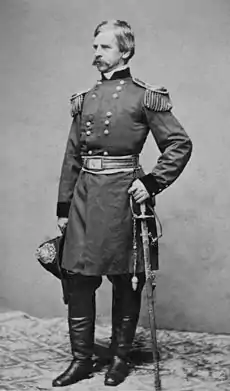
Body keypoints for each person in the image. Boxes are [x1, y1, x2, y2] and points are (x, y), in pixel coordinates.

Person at [53, 19, 192, 387]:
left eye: (104, 47)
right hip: (84, 198)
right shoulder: (84, 99)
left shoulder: (145, 96)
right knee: (79, 280)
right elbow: (71, 157)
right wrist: (64, 209)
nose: (96, 53)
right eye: (95, 46)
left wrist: (151, 182)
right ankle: (81, 360)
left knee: (125, 280)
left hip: (123, 200)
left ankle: (119, 359)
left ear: (125, 51)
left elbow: (179, 144)